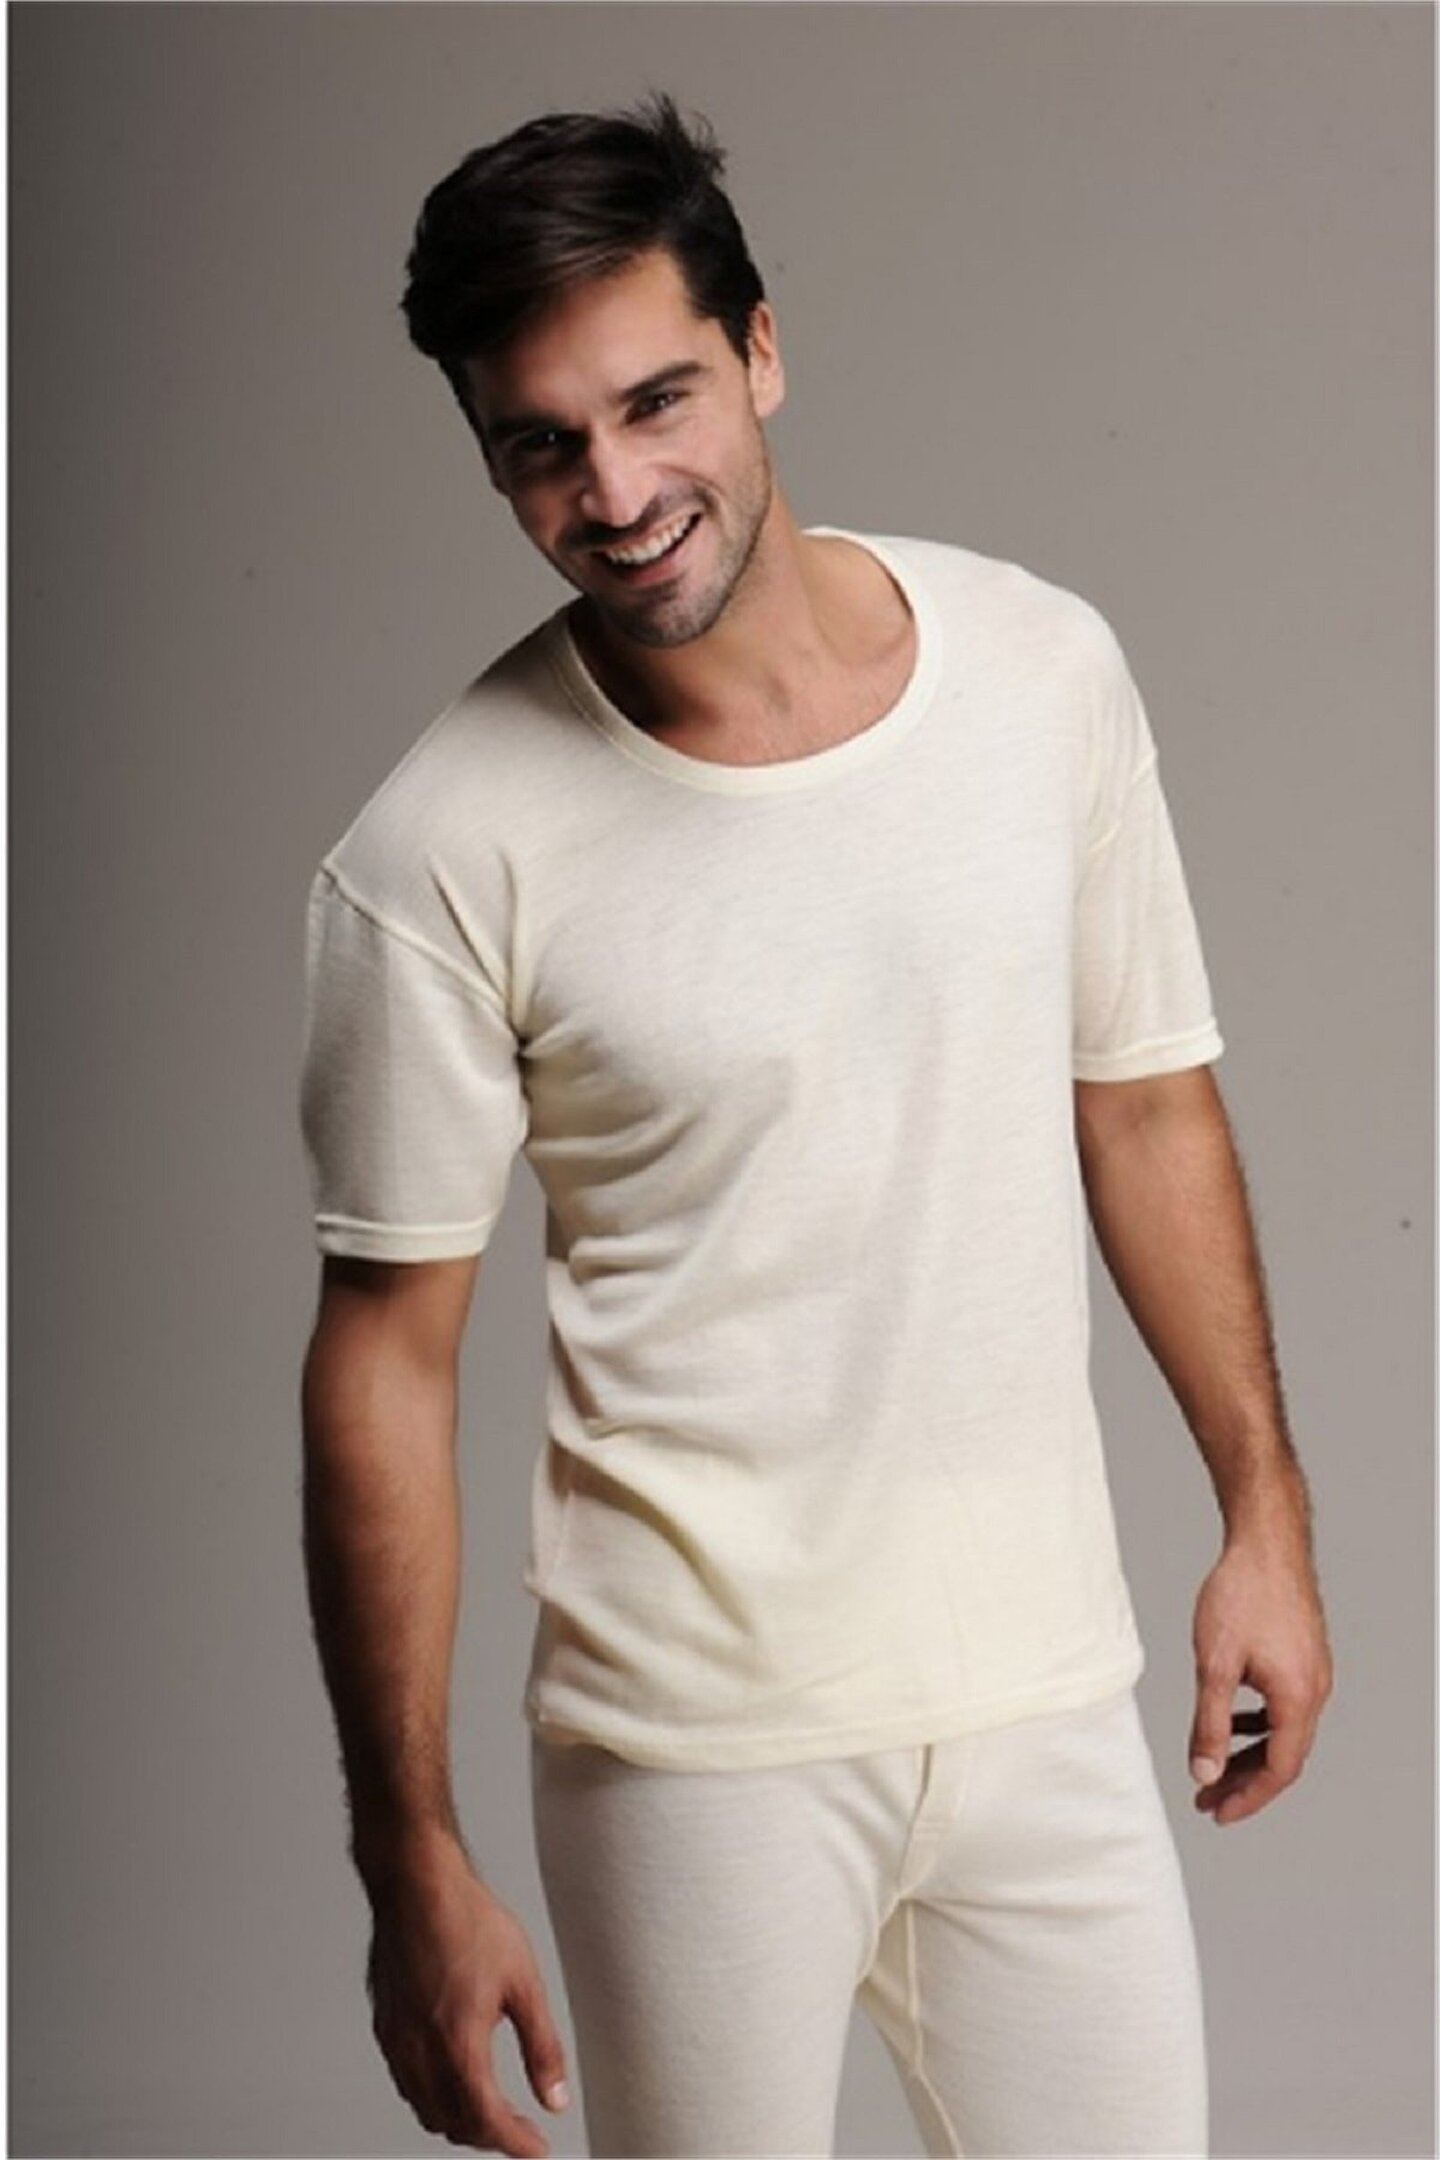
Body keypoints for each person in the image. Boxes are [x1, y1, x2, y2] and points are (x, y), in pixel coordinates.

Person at [297, 91, 1334, 2160]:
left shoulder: (1040, 673)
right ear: (490, 458)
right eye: (542, 444)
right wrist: (408, 1853)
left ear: (761, 350)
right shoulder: (435, 855)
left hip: (1045, 1694)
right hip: (693, 1748)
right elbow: (387, 1362)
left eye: (657, 401)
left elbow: (1144, 1106)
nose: (617, 492)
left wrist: (1265, 1515)